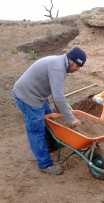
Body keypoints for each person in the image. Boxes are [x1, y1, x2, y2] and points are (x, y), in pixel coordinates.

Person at [13, 47, 87, 175]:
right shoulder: (57, 67)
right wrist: (71, 119)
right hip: (28, 97)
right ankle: (45, 164)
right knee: (36, 130)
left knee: (50, 119)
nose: (78, 69)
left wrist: (61, 111)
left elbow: (56, 93)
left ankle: (51, 144)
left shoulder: (60, 64)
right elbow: (58, 97)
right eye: (78, 66)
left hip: (39, 96)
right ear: (72, 61)